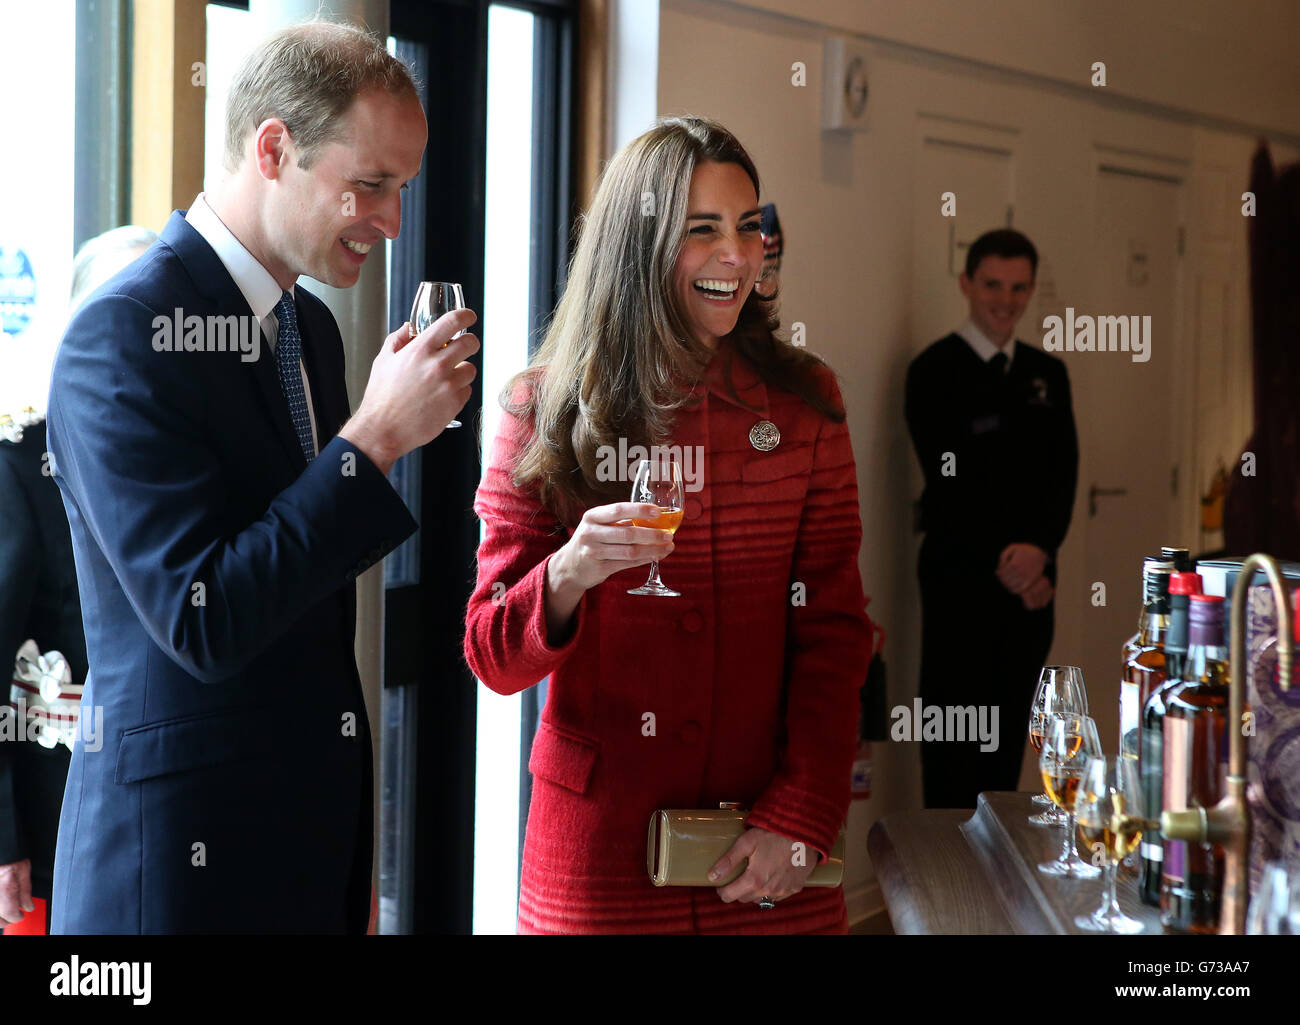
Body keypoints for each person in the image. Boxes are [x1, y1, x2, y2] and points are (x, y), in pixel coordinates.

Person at [45, 20, 478, 934]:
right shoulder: (120, 333)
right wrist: (374, 441)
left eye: (403, 189)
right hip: (171, 868)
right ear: (273, 147)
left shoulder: (310, 331)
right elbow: (204, 618)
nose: (393, 221)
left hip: (307, 848)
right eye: (370, 186)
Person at [464, 116, 873, 934]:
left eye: (749, 226)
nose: (738, 254)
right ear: (638, 243)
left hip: (768, 856)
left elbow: (834, 629)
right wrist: (571, 572)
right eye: (704, 230)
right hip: (598, 862)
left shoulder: (806, 404)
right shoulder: (540, 410)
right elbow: (492, 654)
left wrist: (803, 809)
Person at [0, 226, 156, 937]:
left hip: (164, 805)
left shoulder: (191, 454)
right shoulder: (18, 462)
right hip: (51, 811)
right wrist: (3, 835)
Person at [905, 228, 1078, 809]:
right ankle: (948, 892)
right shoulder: (933, 371)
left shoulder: (1046, 374)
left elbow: (1063, 476)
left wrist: (1041, 553)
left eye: (1019, 287)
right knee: (953, 739)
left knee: (1007, 751)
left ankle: (996, 888)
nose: (1006, 299)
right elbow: (948, 482)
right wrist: (1010, 563)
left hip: (1032, 590)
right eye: (993, 285)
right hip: (961, 583)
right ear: (967, 284)